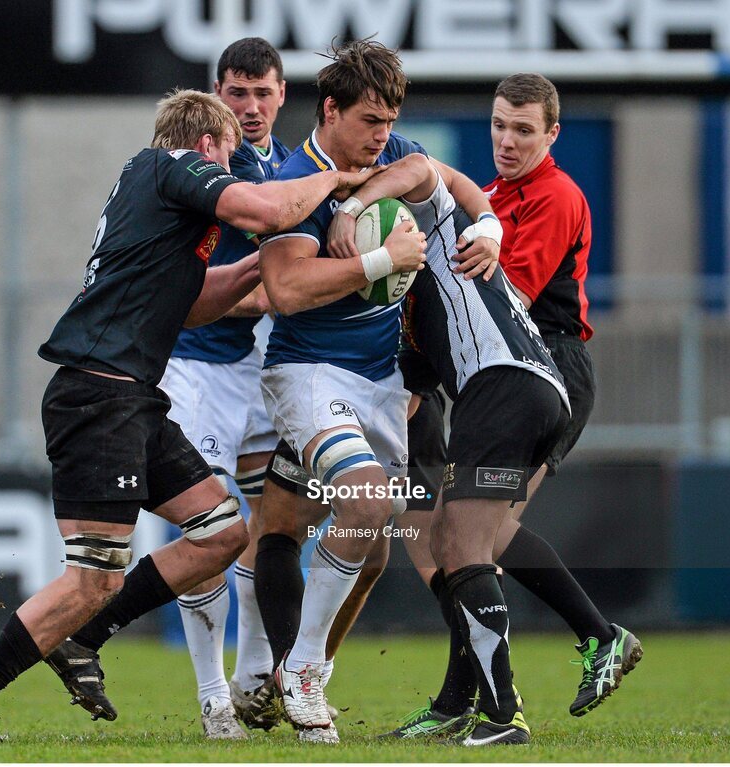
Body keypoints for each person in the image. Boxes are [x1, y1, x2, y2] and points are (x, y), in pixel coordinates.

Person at [0, 88, 372, 745]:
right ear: (209, 145)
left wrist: (259, 265)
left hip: (130, 399)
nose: (232, 171)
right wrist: (336, 176)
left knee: (221, 532)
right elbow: (270, 206)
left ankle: (84, 638)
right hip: (99, 398)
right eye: (229, 158)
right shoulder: (170, 165)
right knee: (93, 577)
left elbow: (191, 305)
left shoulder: (157, 204)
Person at [40, 37, 294, 742]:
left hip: (257, 365)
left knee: (269, 523)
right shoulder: (198, 167)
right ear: (217, 97)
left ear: (281, 94)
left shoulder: (282, 163)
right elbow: (207, 287)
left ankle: (261, 675)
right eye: (235, 93)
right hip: (190, 364)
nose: (248, 107)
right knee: (208, 523)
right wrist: (292, 280)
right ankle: (215, 694)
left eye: (261, 92)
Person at [385, 73, 643, 739]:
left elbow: (506, 300)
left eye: (523, 129)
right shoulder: (493, 199)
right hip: (502, 371)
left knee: (477, 537)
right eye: (500, 124)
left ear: (552, 134)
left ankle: (597, 635)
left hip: (543, 364)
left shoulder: (557, 194)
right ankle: (455, 703)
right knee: (467, 538)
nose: (507, 139)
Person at [255, 38, 499, 744]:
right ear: (330, 111)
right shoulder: (292, 179)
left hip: (382, 383)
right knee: (364, 502)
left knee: (373, 547)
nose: (382, 135)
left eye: (390, 121)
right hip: (309, 375)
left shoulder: (391, 154)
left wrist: (488, 223)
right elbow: (286, 289)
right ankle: (298, 671)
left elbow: (440, 175)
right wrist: (380, 258)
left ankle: (287, 677)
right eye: (369, 121)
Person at [328, 150, 574, 745]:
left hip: (503, 388)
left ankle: (501, 713)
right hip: (539, 394)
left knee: (462, 546)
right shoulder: (414, 310)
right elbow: (408, 398)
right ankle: (467, 702)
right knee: (447, 537)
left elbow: (418, 166)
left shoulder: (438, 226)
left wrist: (353, 205)